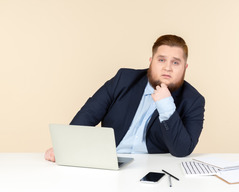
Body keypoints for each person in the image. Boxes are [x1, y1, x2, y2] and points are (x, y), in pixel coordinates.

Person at [45, 34, 205, 161]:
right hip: (109, 161)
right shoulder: (124, 79)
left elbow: (182, 150)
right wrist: (65, 146)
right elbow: (89, 113)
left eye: (176, 63)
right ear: (151, 62)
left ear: (185, 67)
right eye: (161, 60)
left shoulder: (193, 100)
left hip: (152, 167)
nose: (167, 68)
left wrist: (166, 105)